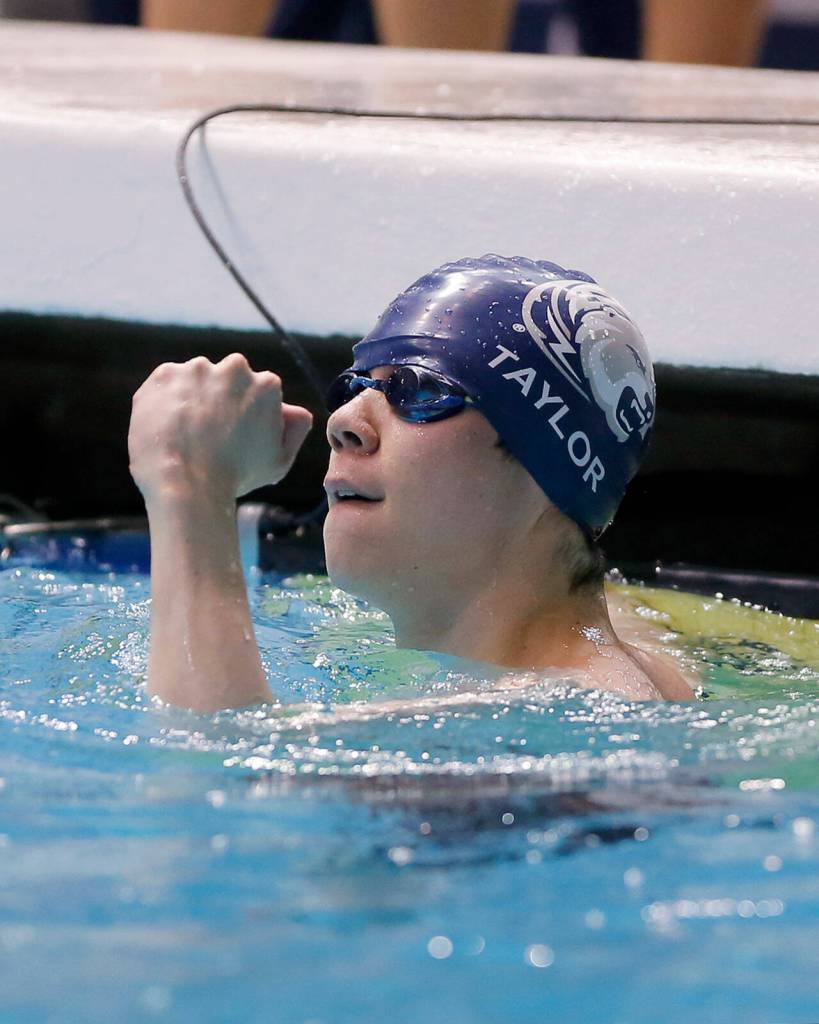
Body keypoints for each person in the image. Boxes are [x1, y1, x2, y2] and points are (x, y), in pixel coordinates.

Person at [128, 254, 695, 712]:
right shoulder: (620, 648)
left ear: (546, 465)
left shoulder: (556, 716)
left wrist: (188, 485)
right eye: (354, 389)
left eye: (420, 392)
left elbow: (214, 781)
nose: (344, 422)